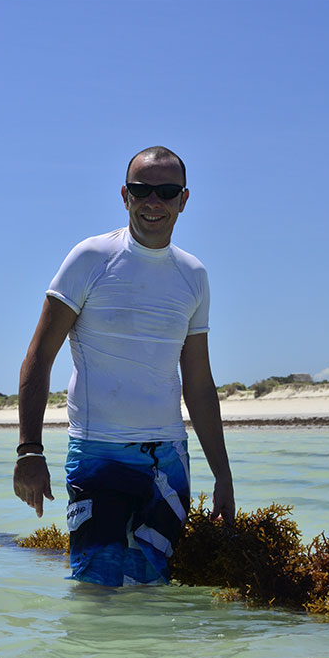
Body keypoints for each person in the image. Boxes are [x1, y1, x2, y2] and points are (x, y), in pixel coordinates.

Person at [14, 146, 235, 586]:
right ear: (125, 195)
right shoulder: (90, 258)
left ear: (184, 200)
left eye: (167, 192)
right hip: (98, 454)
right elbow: (39, 356)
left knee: (153, 586)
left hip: (167, 461)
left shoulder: (193, 275)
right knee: (96, 591)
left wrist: (223, 476)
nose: (154, 202)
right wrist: (30, 450)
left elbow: (198, 382)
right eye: (142, 190)